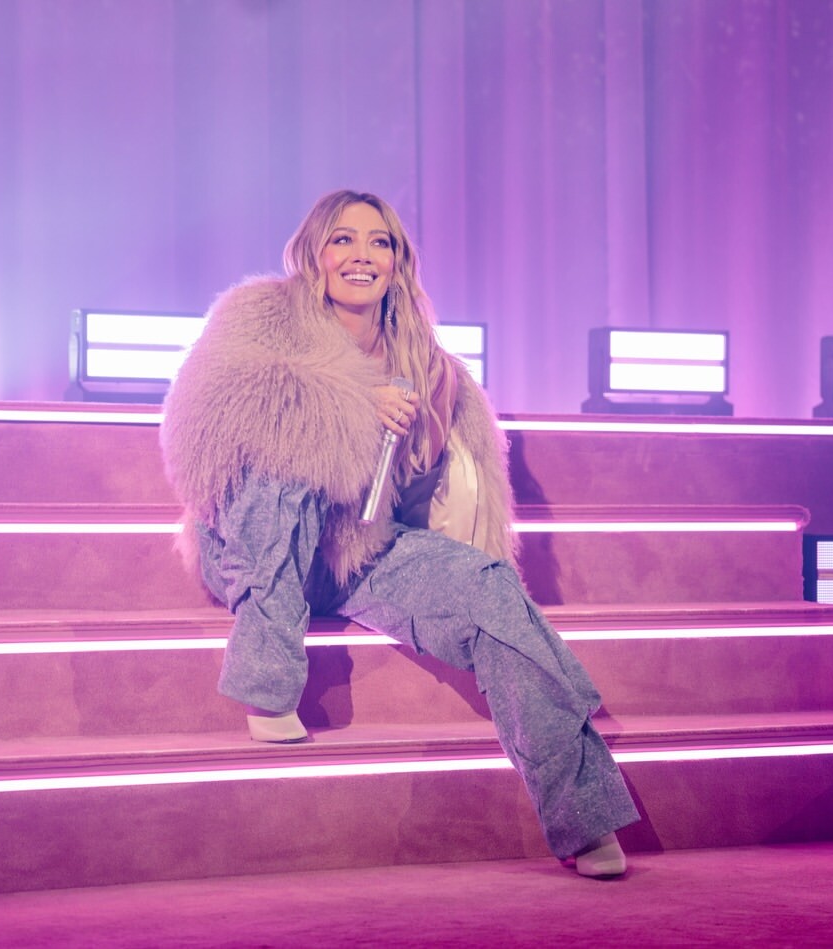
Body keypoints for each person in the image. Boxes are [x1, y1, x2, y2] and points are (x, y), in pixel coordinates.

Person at [160, 189, 639, 878]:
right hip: (251, 536)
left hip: (353, 548)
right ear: (315, 252)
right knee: (287, 470)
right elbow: (212, 417)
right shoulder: (260, 315)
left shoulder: (426, 361)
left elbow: (421, 497)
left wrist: (423, 433)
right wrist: (355, 405)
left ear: (397, 260)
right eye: (343, 239)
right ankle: (266, 679)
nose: (361, 255)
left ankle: (582, 812)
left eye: (378, 241)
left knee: (488, 590)